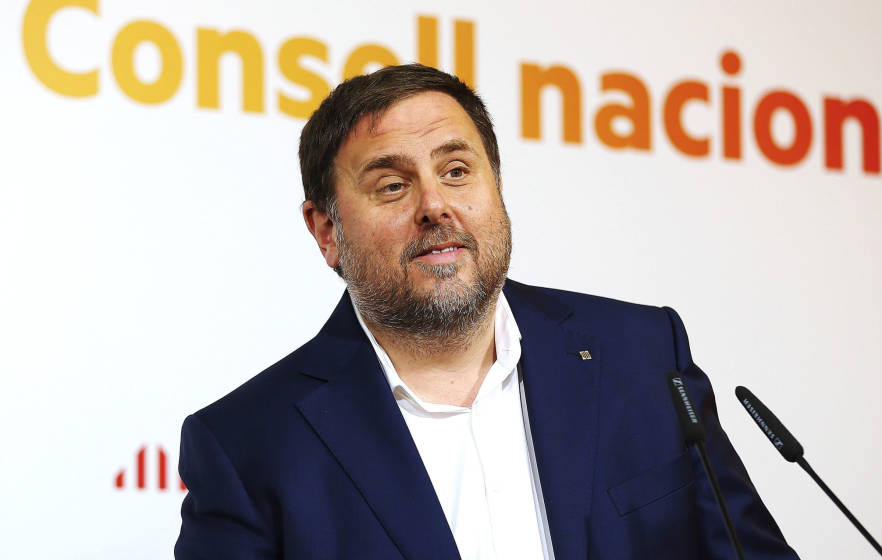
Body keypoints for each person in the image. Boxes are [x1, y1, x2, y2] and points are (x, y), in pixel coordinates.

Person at [174, 63, 799, 560]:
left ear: (496, 188)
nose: (435, 205)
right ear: (326, 231)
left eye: (456, 171)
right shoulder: (248, 444)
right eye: (392, 185)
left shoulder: (643, 355)